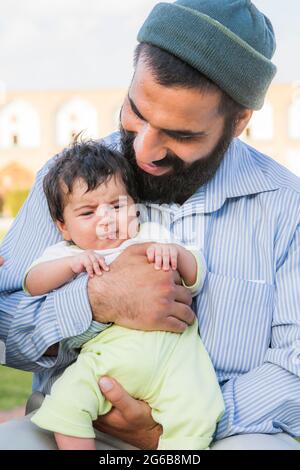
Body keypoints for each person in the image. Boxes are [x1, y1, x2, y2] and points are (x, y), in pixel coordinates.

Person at [0, 0, 299, 450]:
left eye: (181, 134)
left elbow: (295, 366)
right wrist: (96, 300)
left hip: (228, 431)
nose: (144, 150)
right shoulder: (65, 182)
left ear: (238, 123)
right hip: (77, 425)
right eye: (136, 112)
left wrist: (178, 422)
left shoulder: (286, 207)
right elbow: (7, 329)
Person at [24, 139, 223, 450]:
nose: (107, 219)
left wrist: (175, 254)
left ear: (135, 206)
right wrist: (70, 265)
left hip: (175, 357)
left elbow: (196, 274)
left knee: (196, 415)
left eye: (117, 206)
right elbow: (32, 282)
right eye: (88, 212)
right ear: (63, 226)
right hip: (106, 360)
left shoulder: (150, 236)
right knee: (66, 402)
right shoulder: (68, 252)